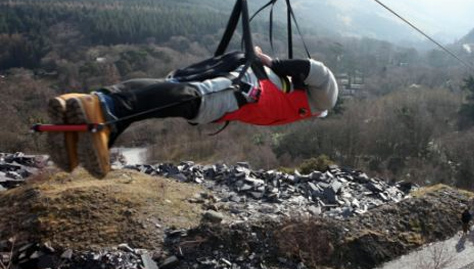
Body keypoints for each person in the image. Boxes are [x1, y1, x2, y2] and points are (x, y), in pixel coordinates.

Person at [46, 47, 338, 179]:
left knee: (170, 90)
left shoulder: (293, 99)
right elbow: (320, 72)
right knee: (189, 100)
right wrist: (271, 61)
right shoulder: (318, 101)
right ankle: (102, 110)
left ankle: (88, 121)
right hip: (243, 89)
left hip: (240, 89)